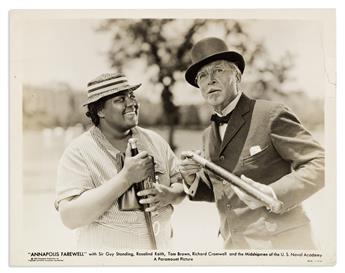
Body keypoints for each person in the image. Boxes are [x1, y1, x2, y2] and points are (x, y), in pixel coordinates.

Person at [179, 37, 324, 249]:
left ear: (237, 75)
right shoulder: (206, 135)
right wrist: (191, 178)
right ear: (199, 85)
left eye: (218, 70)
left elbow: (321, 163)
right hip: (234, 250)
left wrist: (274, 193)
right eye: (202, 75)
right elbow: (223, 190)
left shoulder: (270, 114)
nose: (209, 79)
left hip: (283, 248)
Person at [55, 72, 185, 249]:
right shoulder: (79, 152)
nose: (131, 103)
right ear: (100, 110)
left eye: (131, 96)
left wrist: (169, 195)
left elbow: (180, 183)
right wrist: (125, 178)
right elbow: (69, 217)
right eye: (120, 99)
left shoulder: (154, 141)